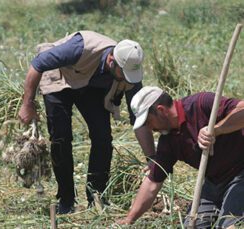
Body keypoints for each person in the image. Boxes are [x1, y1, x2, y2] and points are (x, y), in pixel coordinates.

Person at [18, 31, 154, 214]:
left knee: (103, 138)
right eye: (124, 73)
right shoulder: (80, 48)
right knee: (61, 138)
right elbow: (38, 64)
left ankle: (96, 196)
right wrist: (27, 104)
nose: (127, 78)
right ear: (111, 61)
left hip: (90, 86)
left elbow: (139, 120)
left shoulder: (129, 75)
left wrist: (152, 160)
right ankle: (66, 199)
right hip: (61, 78)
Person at [117, 86, 244, 228]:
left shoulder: (201, 103)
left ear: (161, 110)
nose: (149, 129)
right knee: (193, 225)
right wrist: (129, 220)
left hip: (240, 172)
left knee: (230, 225)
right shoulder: (168, 142)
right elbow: (152, 183)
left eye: (148, 122)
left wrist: (216, 129)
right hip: (214, 182)